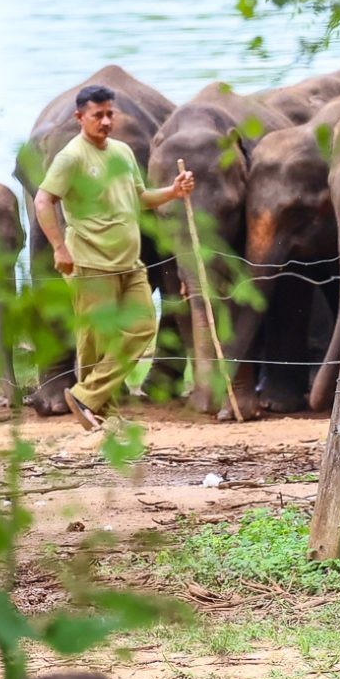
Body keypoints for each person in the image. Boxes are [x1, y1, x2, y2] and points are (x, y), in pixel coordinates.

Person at [34, 84, 195, 430]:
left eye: (110, 114)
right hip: (91, 263)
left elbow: (140, 198)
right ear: (80, 117)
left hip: (129, 262)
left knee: (141, 327)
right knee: (94, 340)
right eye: (98, 115)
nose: (106, 121)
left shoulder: (121, 152)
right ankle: (98, 413)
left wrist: (173, 190)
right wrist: (60, 247)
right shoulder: (71, 157)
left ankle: (86, 396)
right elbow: (43, 201)